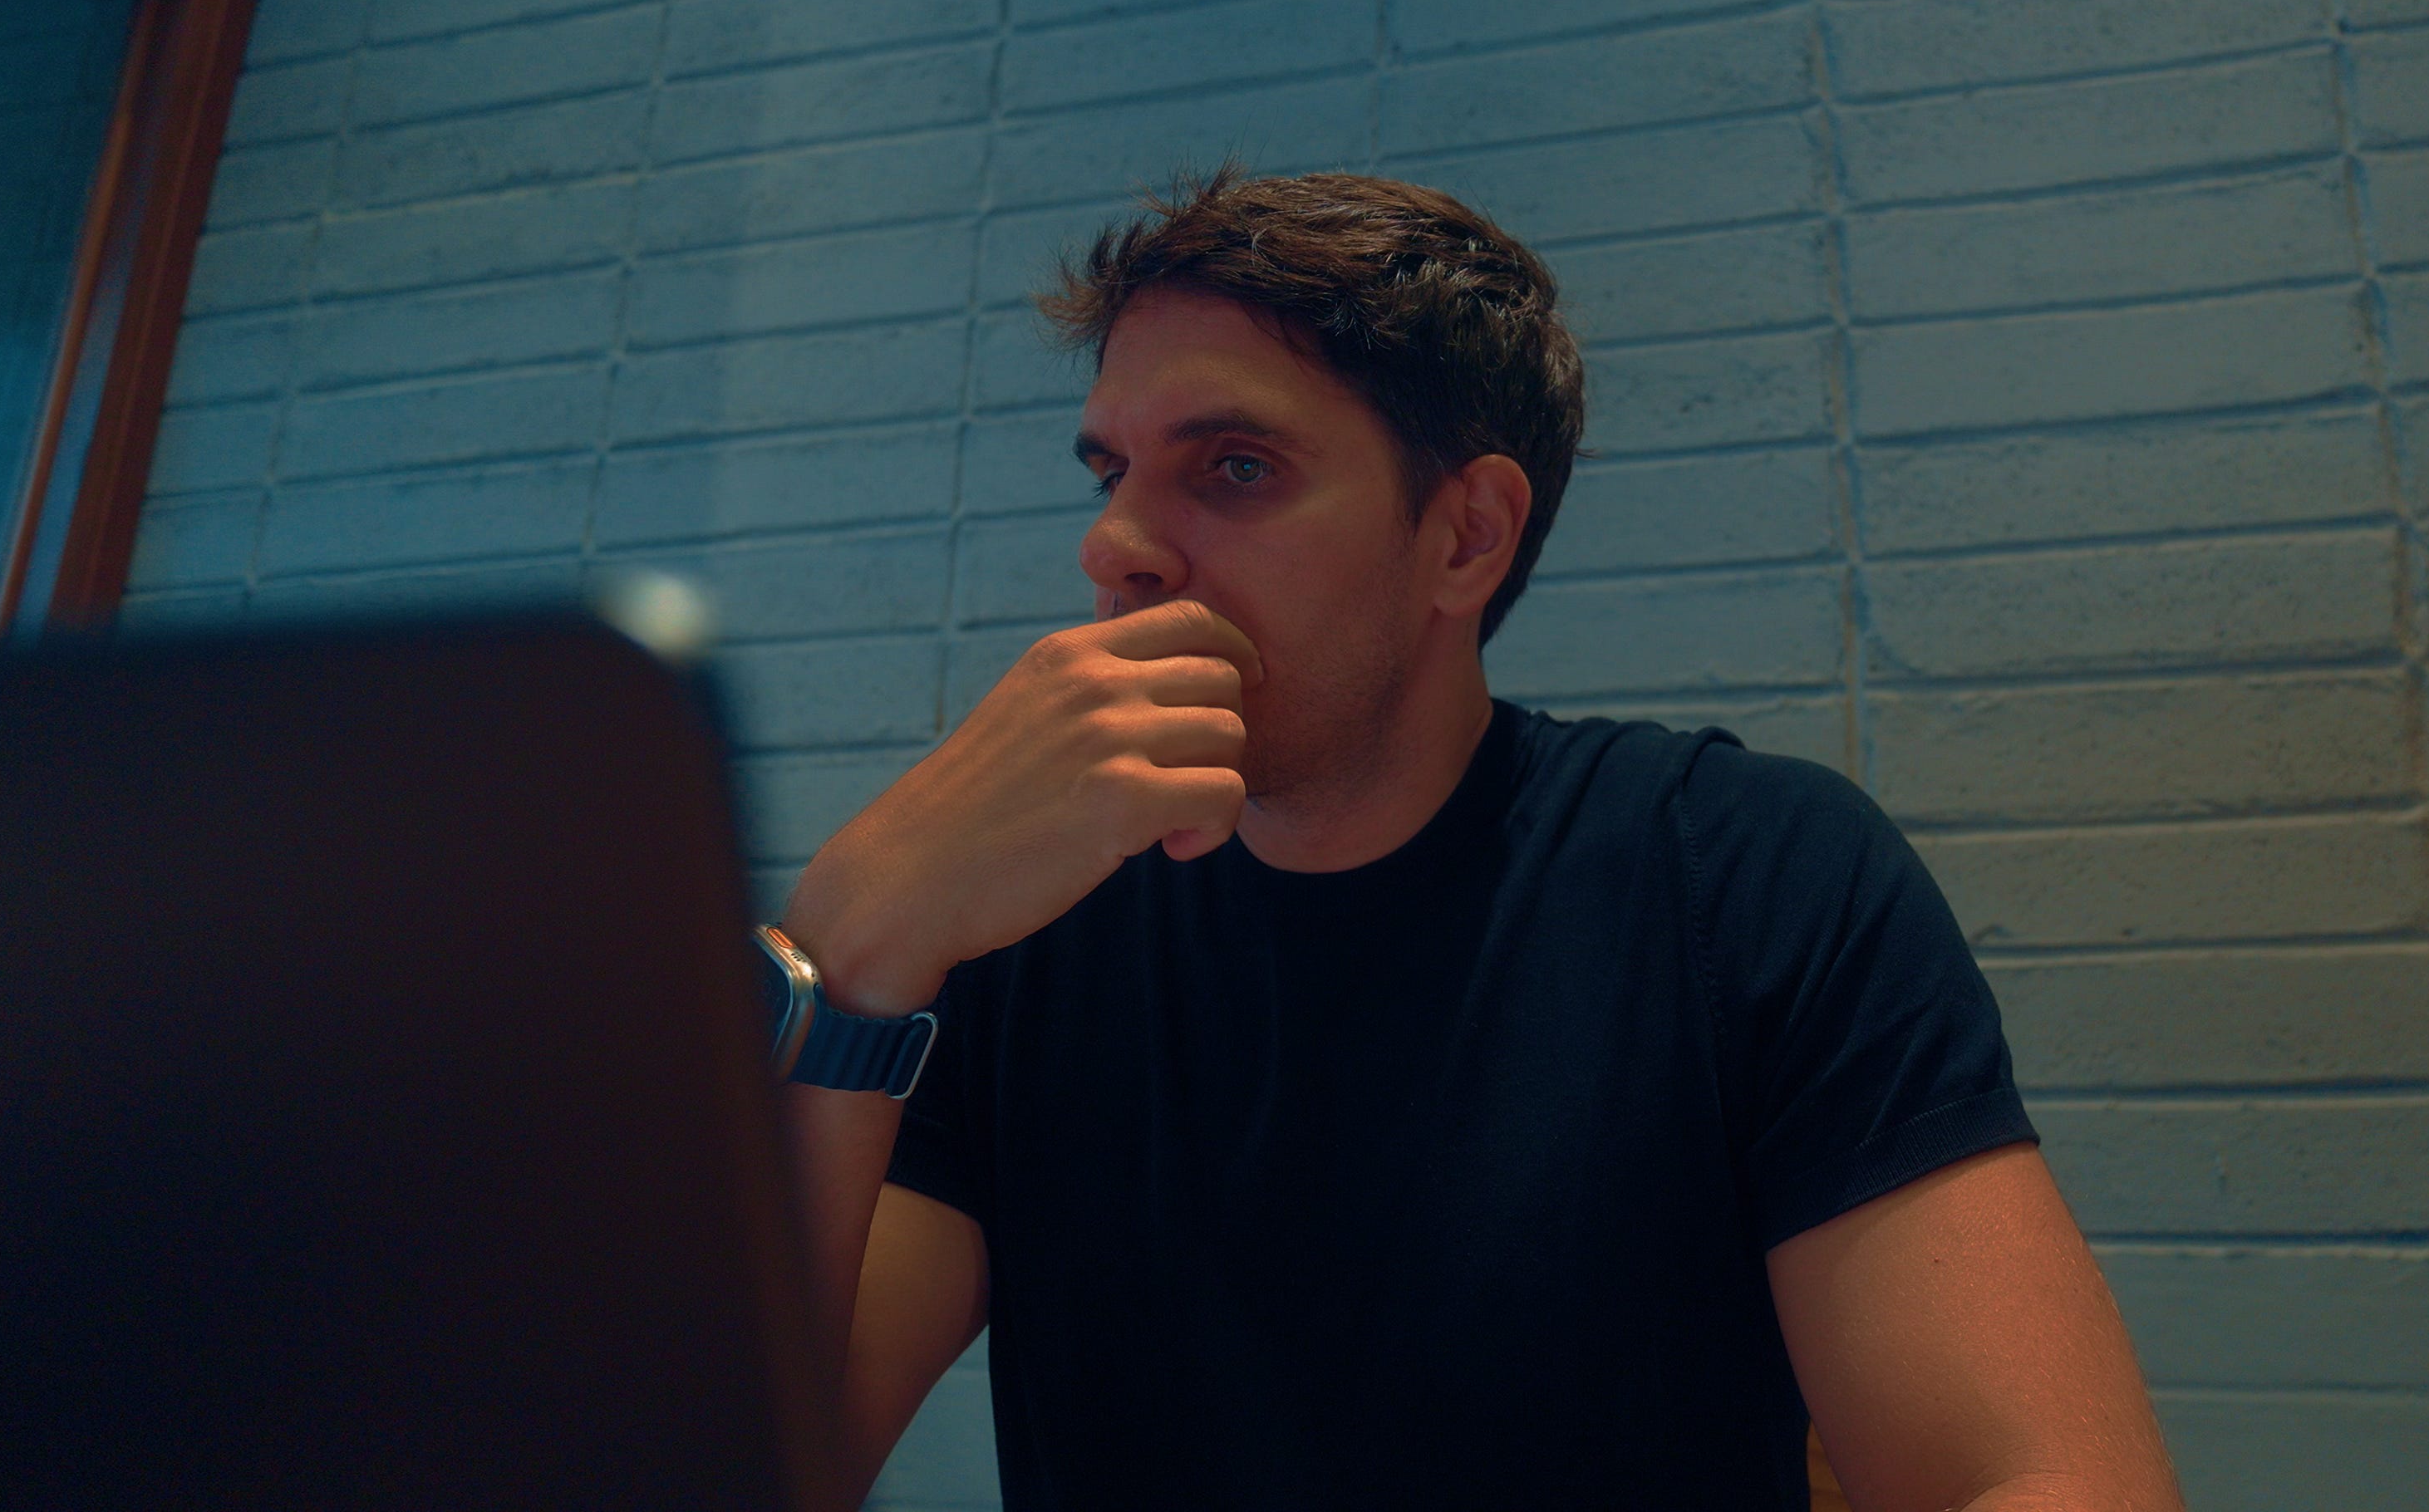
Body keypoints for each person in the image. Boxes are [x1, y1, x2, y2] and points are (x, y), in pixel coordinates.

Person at [771, 169, 2185, 1512]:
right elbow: (724, 1465)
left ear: (1466, 537)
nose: (1116, 545)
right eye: (1111, 474)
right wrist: (850, 937)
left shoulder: (1745, 876)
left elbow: (2048, 1476)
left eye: (1237, 467)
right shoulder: (1028, 931)